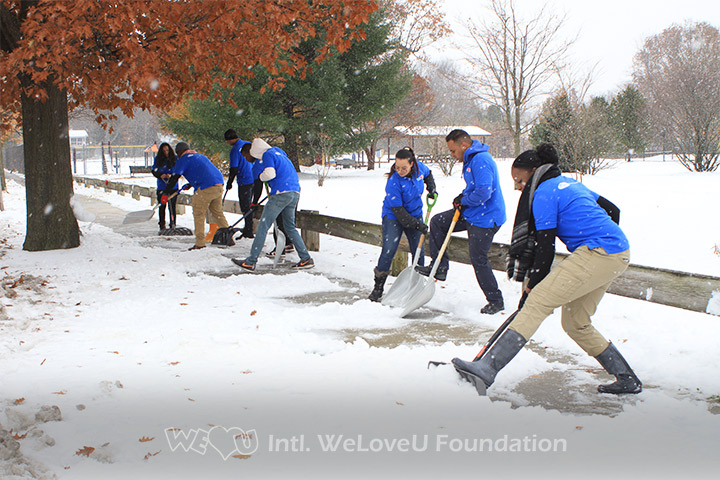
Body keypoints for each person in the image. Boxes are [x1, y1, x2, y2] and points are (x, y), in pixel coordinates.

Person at [452, 143, 642, 395]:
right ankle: (627, 378)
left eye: (519, 180)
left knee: (538, 301)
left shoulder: (543, 193)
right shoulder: (569, 183)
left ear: (532, 172)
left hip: (598, 253)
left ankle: (487, 368)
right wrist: (598, 233)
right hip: (617, 253)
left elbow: (545, 247)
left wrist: (532, 285)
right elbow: (612, 211)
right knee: (576, 323)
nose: (518, 187)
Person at [416, 129, 506, 315]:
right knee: (438, 222)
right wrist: (462, 197)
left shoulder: (480, 160)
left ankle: (496, 300)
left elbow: (483, 192)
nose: (452, 155)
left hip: (486, 217)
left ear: (463, 145)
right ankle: (440, 266)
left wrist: (464, 201)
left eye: (453, 151)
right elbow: (474, 188)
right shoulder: (472, 159)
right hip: (473, 212)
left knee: (478, 258)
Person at [231, 138, 314, 271]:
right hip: (294, 192)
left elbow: (270, 174)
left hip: (281, 192)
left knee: (263, 226)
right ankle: (306, 259)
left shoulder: (267, 154)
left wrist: (261, 177)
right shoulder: (278, 153)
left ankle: (251, 261)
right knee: (290, 227)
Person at [369, 147, 437, 302]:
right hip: (393, 216)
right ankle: (378, 288)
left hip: (415, 212)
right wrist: (417, 225)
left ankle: (415, 287)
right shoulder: (393, 182)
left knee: (418, 252)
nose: (400, 170)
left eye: (404, 168)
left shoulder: (420, 169)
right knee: (389, 250)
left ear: (412, 164)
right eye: (397, 167)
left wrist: (431, 188)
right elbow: (399, 212)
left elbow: (428, 175)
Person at [162, 142, 233, 250]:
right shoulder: (199, 156)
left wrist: (166, 193)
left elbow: (174, 178)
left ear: (180, 152)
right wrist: (191, 183)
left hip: (205, 187)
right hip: (218, 185)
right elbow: (203, 170)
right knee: (217, 212)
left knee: (199, 213)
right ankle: (228, 237)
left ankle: (200, 243)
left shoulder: (184, 159)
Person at [224, 129, 258, 238]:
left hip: (244, 180)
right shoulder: (247, 144)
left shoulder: (235, 150)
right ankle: (249, 227)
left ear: (229, 140)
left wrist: (229, 182)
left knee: (245, 206)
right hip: (254, 177)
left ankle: (248, 230)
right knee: (251, 204)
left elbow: (234, 168)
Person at [151, 142, 178, 233]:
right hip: (162, 186)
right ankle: (162, 224)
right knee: (162, 206)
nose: (166, 152)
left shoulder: (175, 159)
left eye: (167, 150)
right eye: (164, 151)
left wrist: (171, 175)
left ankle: (173, 223)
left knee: (172, 206)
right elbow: (154, 171)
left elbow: (178, 171)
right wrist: (160, 175)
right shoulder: (158, 160)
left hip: (173, 186)